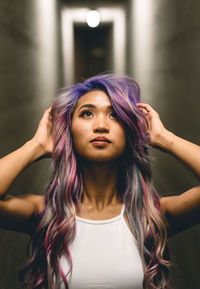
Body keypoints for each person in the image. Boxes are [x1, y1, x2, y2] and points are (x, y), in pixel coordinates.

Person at [0, 74, 199, 289]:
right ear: (69, 129)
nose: (101, 125)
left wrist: (164, 137)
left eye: (115, 115)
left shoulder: (151, 215)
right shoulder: (46, 213)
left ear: (131, 130)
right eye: (87, 114)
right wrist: (36, 145)